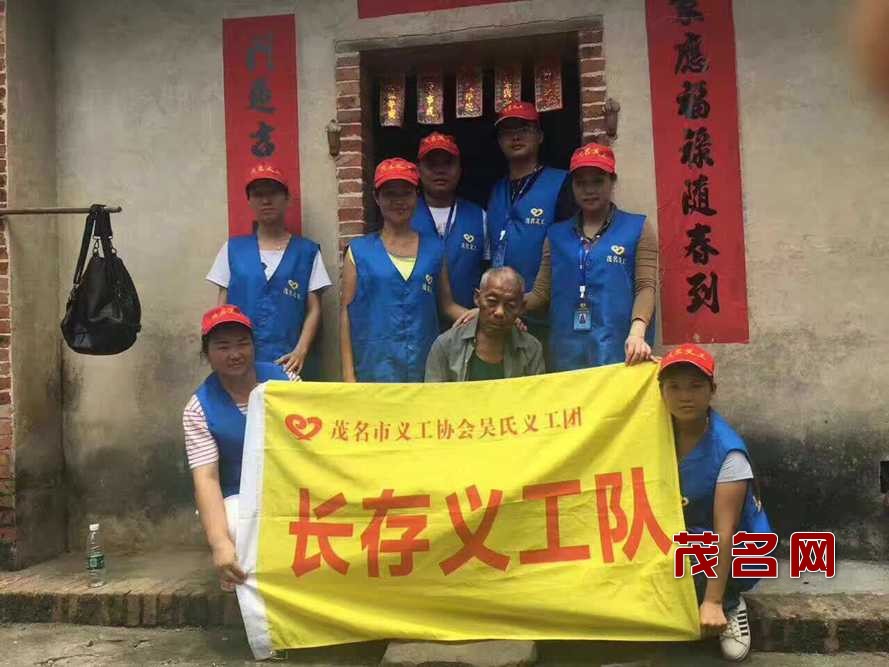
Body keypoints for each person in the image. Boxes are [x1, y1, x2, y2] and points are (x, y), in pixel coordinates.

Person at [658, 344, 772, 662]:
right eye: (674, 386)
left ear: (712, 390)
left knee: (696, 559)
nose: (685, 396)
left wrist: (713, 601)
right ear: (661, 391)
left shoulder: (728, 453)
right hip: (686, 532)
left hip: (731, 545)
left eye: (696, 386)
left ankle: (730, 602)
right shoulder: (656, 431)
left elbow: (726, 534)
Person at [182, 305, 293, 591]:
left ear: (254, 346)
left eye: (242, 343)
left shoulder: (286, 381)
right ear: (207, 353)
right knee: (240, 534)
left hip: (293, 487)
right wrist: (219, 543)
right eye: (223, 346)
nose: (234, 354)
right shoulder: (199, 409)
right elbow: (206, 479)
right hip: (240, 496)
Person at [524, 142, 657, 370]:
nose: (589, 190)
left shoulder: (637, 227)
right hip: (566, 353)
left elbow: (646, 287)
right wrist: (500, 306)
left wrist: (637, 332)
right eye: (581, 183)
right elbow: (540, 294)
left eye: (597, 181)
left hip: (621, 349)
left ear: (612, 181)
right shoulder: (555, 235)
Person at [340, 158, 466, 382]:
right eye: (390, 194)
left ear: (416, 196)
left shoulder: (435, 249)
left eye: (406, 193)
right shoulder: (358, 252)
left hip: (425, 368)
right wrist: (348, 376)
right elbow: (346, 315)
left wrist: (482, 315)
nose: (399, 201)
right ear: (376, 198)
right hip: (374, 370)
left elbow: (447, 306)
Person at [206, 164, 331, 380]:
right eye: (258, 194)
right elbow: (222, 305)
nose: (266, 201)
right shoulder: (232, 249)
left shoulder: (307, 252)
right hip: (240, 362)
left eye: (273, 193)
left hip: (288, 362)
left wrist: (300, 351)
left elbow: (314, 309)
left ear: (287, 199)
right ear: (249, 201)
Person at [486, 101, 569, 346]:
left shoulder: (562, 183)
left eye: (524, 129)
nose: (516, 137)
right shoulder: (495, 190)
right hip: (499, 317)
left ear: (540, 136)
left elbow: (568, 248)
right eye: (508, 131)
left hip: (546, 317)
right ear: (499, 141)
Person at [425, 267, 544, 382]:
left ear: (521, 308)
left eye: (510, 306)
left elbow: (537, 395)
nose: (500, 312)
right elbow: (434, 394)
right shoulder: (446, 346)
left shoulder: (531, 350)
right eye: (492, 301)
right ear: (477, 298)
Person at [412, 132, 488, 310]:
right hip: (417, 321)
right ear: (418, 171)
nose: (440, 170)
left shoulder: (479, 216)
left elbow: (488, 271)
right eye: (432, 164)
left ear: (460, 170)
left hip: (467, 320)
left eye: (448, 163)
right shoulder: (405, 216)